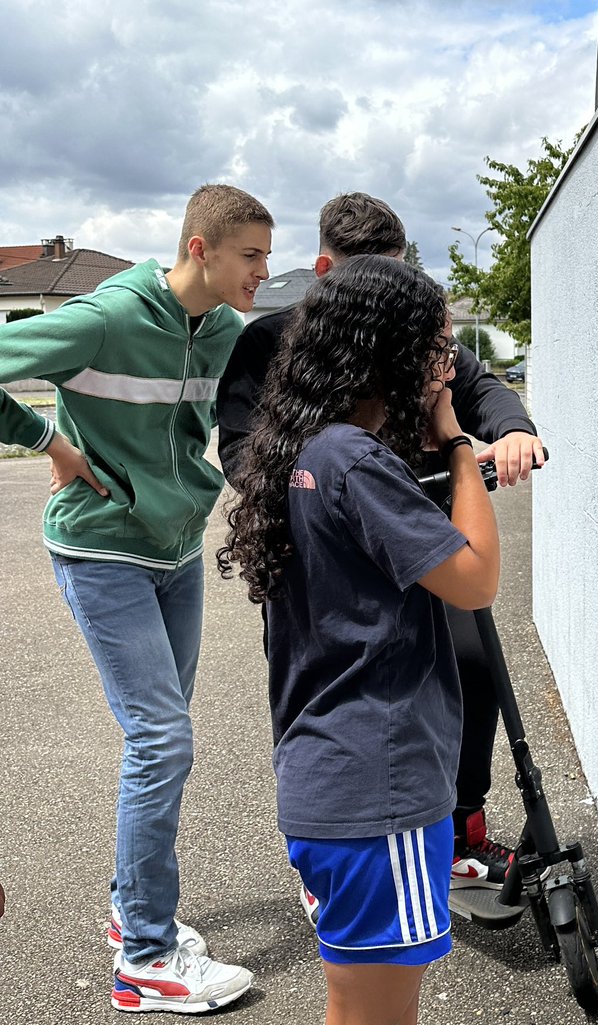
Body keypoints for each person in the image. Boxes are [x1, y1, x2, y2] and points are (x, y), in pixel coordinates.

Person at [216, 193, 542, 924]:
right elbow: (245, 452)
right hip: (329, 548)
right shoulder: (311, 409)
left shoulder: (360, 432)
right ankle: (334, 842)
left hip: (400, 536)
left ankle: (458, 822)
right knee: (323, 680)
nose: (439, 359)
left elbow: (479, 383)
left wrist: (510, 428)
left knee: (466, 668)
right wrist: (452, 445)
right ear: (341, 283)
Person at [0, 183, 273, 1013]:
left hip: (173, 548)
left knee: (164, 734)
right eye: (252, 255)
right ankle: (148, 957)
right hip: (99, 546)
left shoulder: (224, 331)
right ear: (201, 249)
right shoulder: (105, 320)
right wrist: (46, 437)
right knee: (162, 738)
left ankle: (130, 911)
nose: (263, 271)